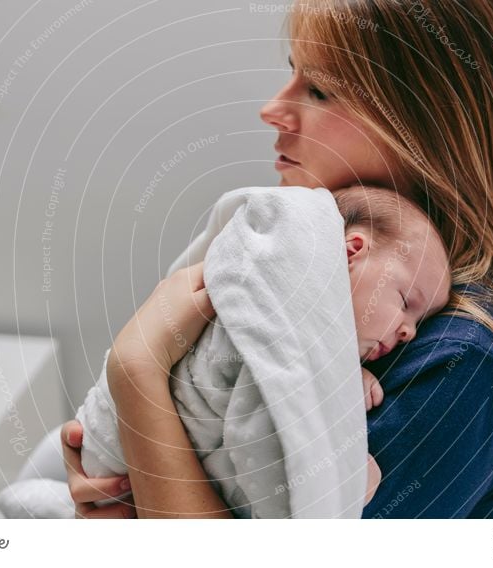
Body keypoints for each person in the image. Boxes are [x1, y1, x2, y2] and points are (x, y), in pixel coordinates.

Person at [62, 0, 493, 519]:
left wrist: (136, 376)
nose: (273, 108)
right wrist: (122, 469)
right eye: (292, 73)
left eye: (319, 90)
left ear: (424, 126)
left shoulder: (462, 369)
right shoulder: (318, 278)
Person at [67, 184, 450, 517]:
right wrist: (341, 482)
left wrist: (344, 378)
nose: (408, 332)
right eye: (405, 301)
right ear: (353, 251)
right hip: (116, 467)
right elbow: (264, 452)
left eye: (419, 323)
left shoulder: (315, 334)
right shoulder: (268, 318)